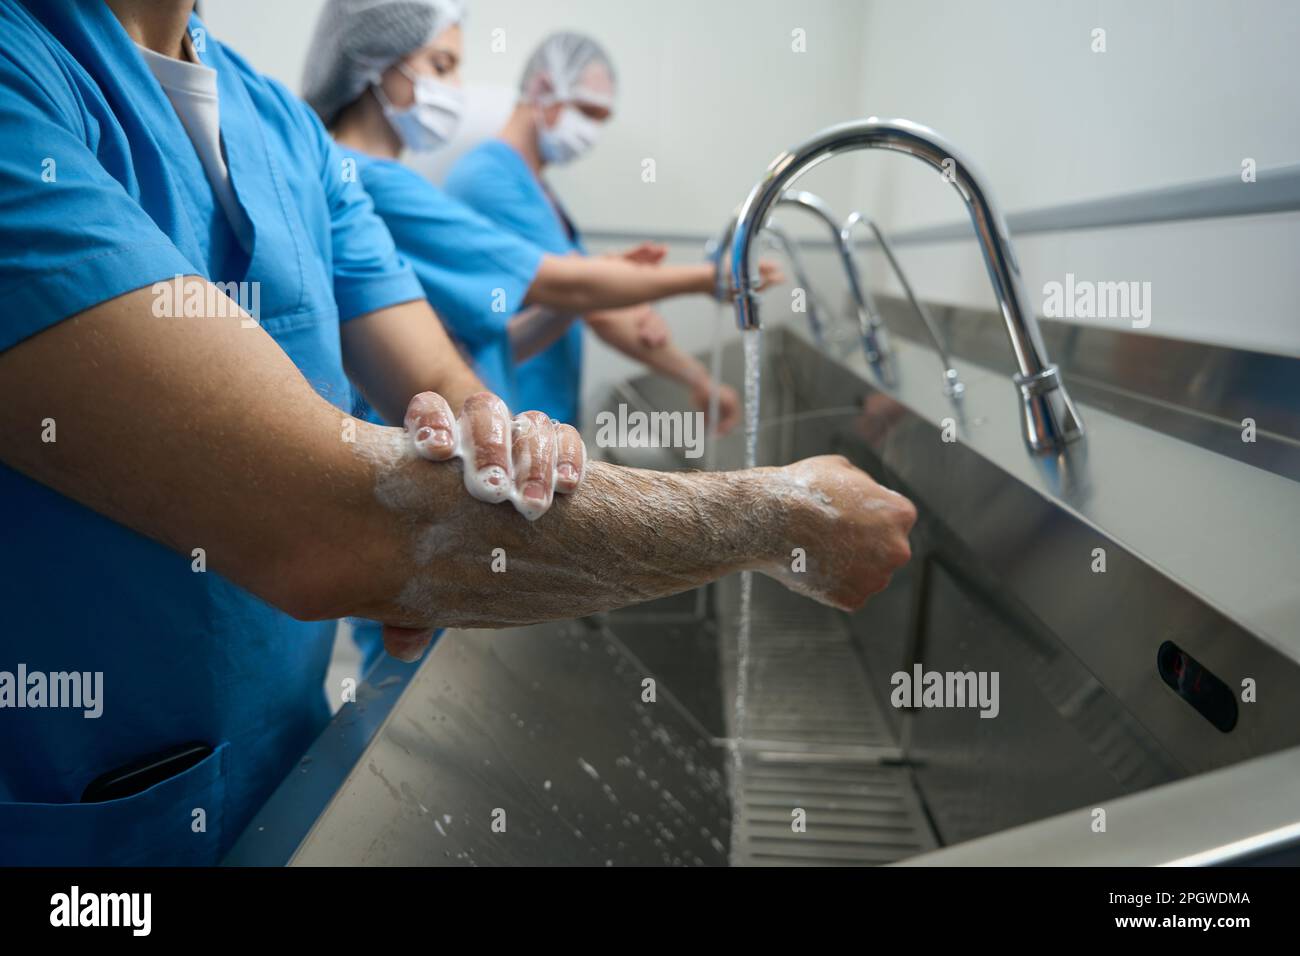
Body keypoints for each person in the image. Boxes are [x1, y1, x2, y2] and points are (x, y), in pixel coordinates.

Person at [0, 0, 916, 866]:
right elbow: (317, 521)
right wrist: (780, 517)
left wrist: (487, 440)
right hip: (83, 813)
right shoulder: (23, 77)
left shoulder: (280, 128)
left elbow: (438, 379)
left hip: (290, 750)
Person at [302, 0, 762, 430]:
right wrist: (707, 278)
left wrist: (599, 283)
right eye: (441, 66)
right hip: (461, 433)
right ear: (371, 59)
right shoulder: (374, 181)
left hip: (495, 424)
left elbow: (485, 341)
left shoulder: (390, 179)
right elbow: (563, 283)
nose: (456, 88)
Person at [447, 30, 700, 426]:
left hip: (544, 417)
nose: (592, 132)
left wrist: (633, 301)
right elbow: (585, 293)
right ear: (543, 88)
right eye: (586, 111)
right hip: (513, 418)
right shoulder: (489, 178)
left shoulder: (540, 189)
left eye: (602, 119)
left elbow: (584, 290)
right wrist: (700, 375)